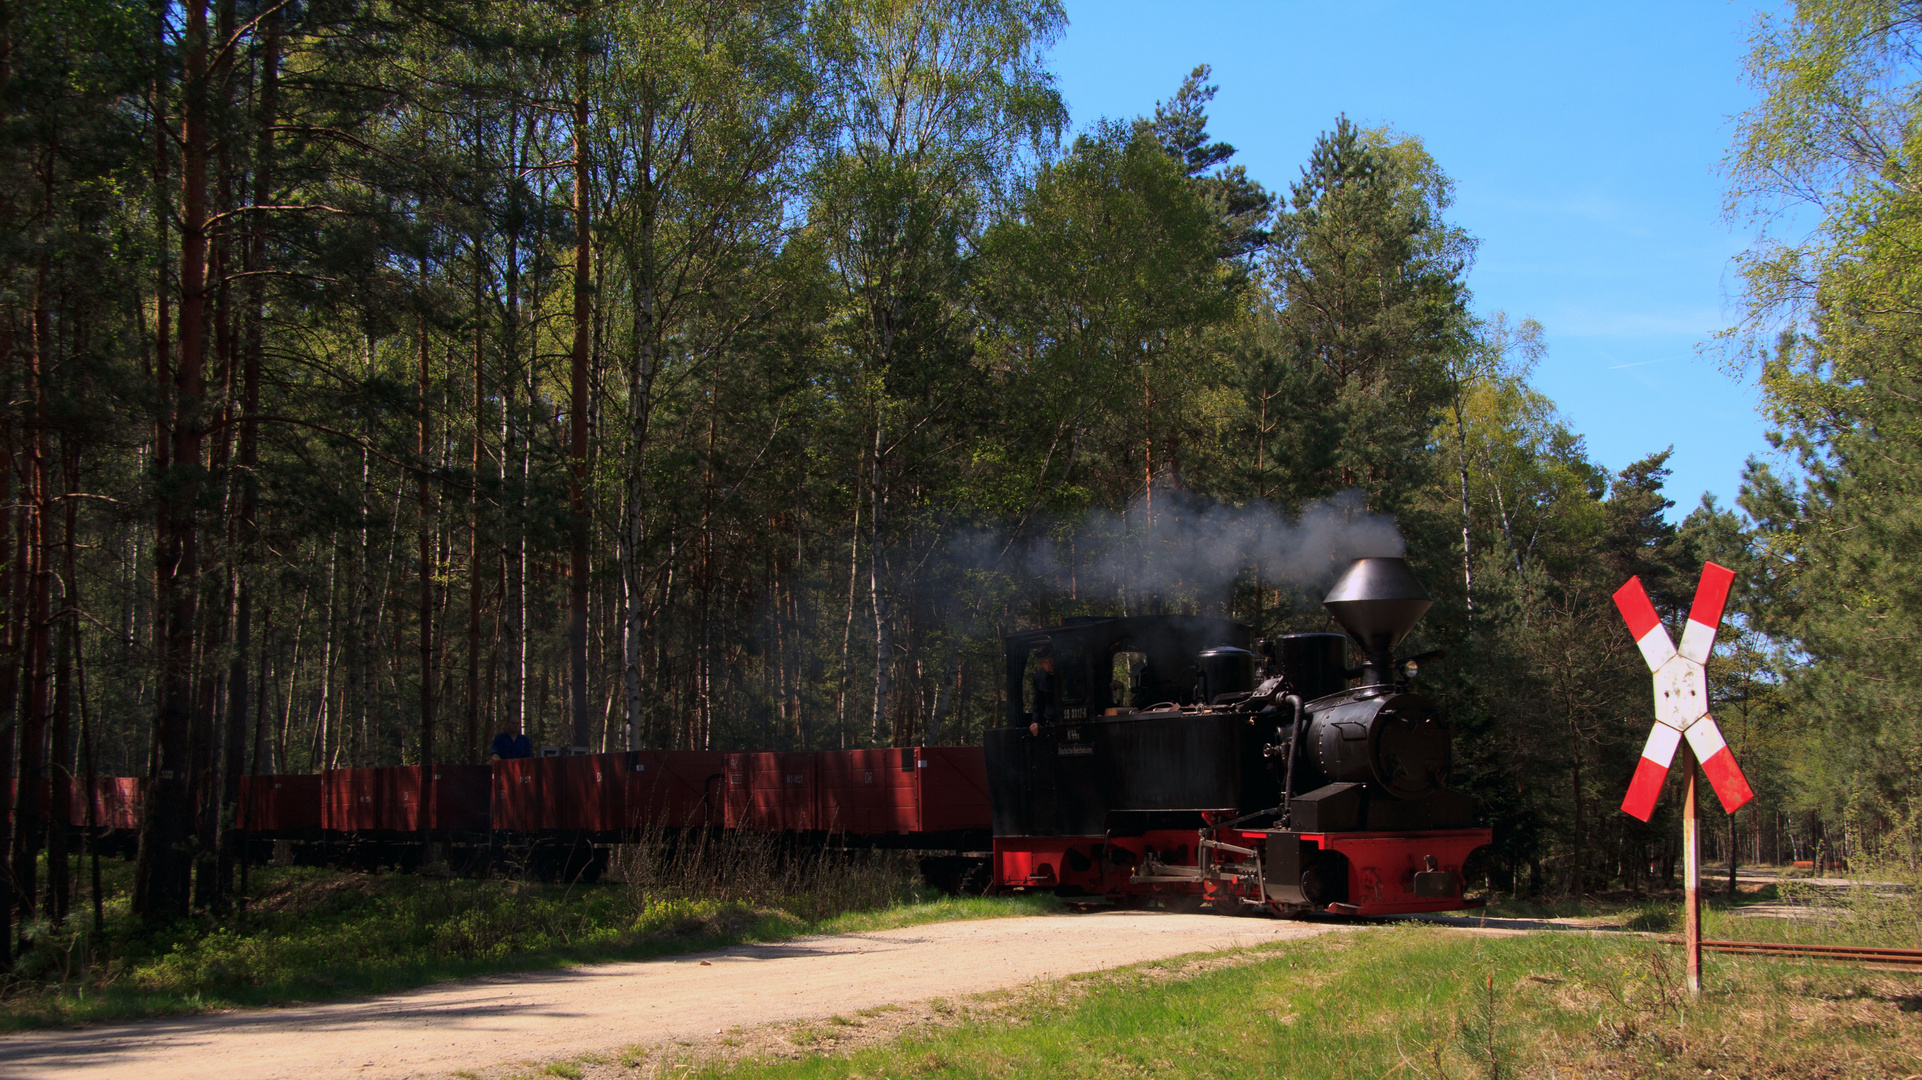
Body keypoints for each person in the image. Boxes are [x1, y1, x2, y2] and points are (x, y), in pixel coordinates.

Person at [1029, 643, 1056, 736]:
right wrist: (1035, 722)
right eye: (1045, 662)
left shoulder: (1068, 673)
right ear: (1040, 664)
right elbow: (1038, 703)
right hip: (1050, 723)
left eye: (1050, 659)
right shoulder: (1039, 678)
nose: (1049, 664)